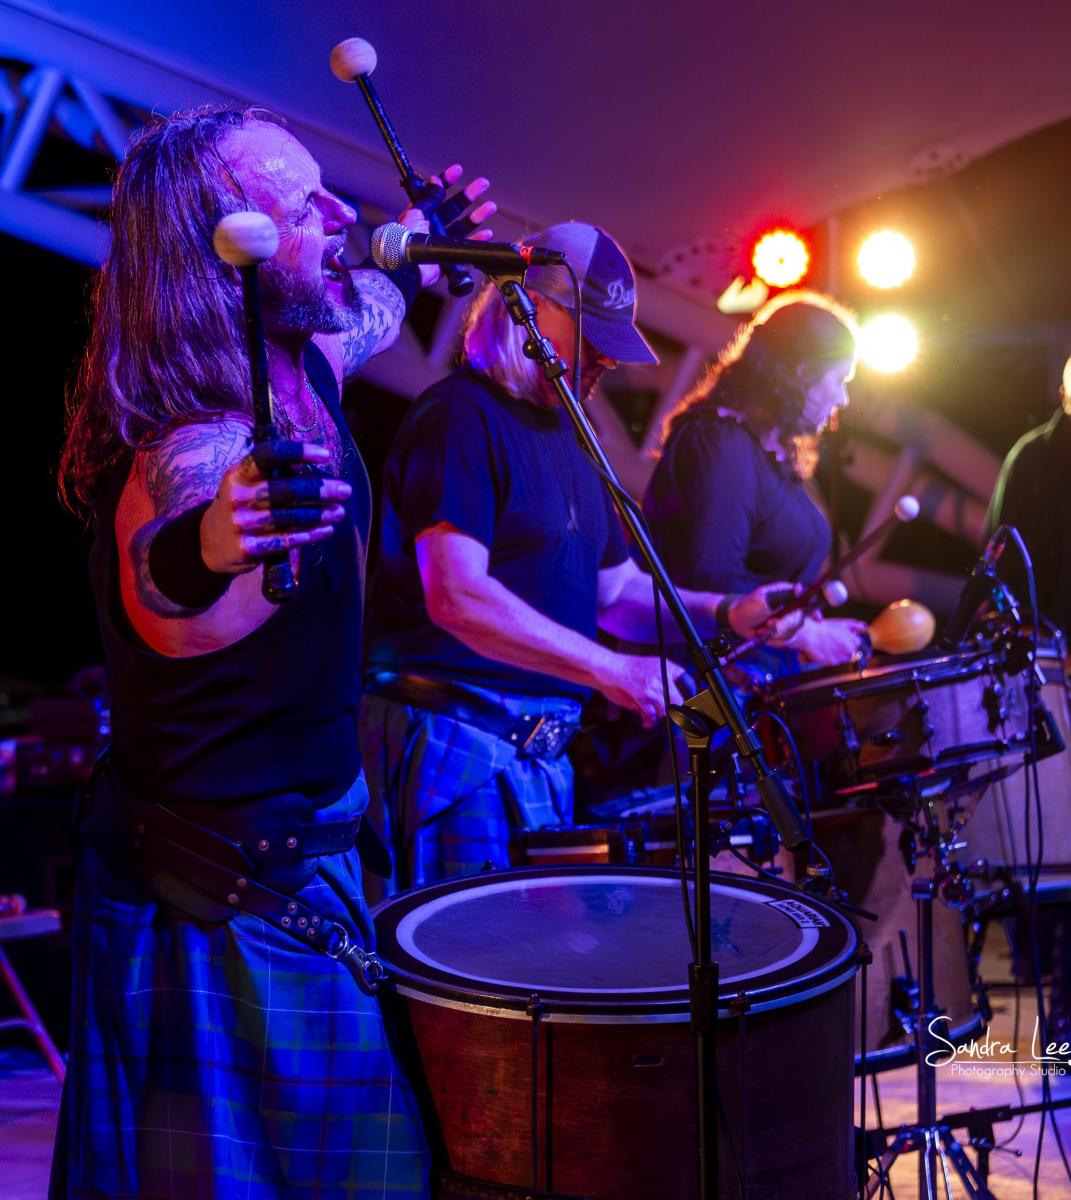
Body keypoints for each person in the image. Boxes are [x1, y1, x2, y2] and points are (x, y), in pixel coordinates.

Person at [53, 105, 493, 1198]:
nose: (338, 213)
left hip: (308, 866)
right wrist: (209, 544)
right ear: (220, 257)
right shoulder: (196, 442)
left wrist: (422, 241)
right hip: (226, 903)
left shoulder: (310, 364)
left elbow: (376, 300)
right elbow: (165, 587)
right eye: (302, 207)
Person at [360, 221, 810, 891]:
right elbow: (457, 595)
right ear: (527, 308)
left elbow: (617, 594)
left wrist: (727, 612)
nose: (606, 360)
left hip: (538, 759)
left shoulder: (574, 436)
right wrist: (610, 669)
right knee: (472, 956)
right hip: (459, 746)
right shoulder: (460, 416)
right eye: (591, 337)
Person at [983, 344, 1071, 1075]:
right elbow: (1003, 557)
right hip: (1049, 665)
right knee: (1062, 837)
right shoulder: (1035, 457)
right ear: (1064, 391)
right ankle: (1060, 1018)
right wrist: (1037, 642)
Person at [643, 290, 868, 673]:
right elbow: (710, 579)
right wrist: (807, 635)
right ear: (804, 373)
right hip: (694, 688)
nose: (843, 398)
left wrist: (809, 624)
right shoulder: (721, 442)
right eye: (840, 379)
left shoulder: (769, 455)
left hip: (748, 676)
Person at [985, 344, 1071, 634]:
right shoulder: (1031, 455)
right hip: (1045, 617)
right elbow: (1003, 538)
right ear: (1063, 393)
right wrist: (1014, 613)